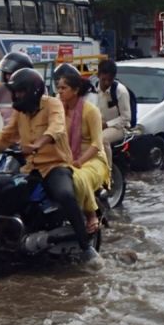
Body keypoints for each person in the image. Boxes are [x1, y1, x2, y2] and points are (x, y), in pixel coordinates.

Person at [0, 68, 100, 266]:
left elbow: (57, 127)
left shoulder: (52, 104)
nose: (17, 96)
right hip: (30, 168)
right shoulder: (20, 112)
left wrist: (38, 144)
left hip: (55, 166)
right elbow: (7, 135)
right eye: (15, 92)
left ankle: (86, 246)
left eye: (20, 91)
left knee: (65, 195)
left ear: (33, 91)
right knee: (2, 192)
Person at [56, 67, 109, 235]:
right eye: (58, 88)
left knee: (78, 176)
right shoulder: (57, 110)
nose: (59, 92)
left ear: (76, 90)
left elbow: (96, 144)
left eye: (63, 88)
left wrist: (79, 161)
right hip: (65, 157)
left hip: (92, 159)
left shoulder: (91, 111)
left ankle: (91, 215)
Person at [95, 59, 131, 165]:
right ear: (98, 75)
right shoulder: (92, 90)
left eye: (109, 80)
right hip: (97, 125)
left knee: (102, 139)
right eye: (103, 79)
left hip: (119, 127)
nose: (106, 83)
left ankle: (108, 171)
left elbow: (126, 118)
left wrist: (106, 124)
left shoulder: (120, 91)